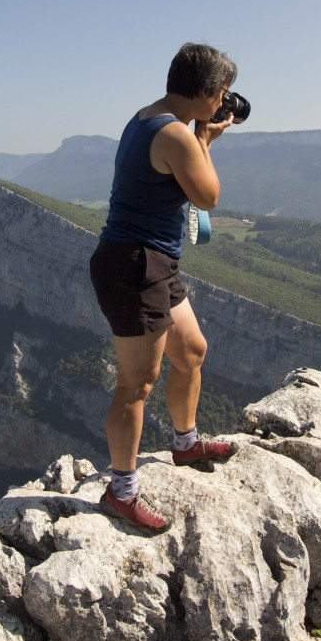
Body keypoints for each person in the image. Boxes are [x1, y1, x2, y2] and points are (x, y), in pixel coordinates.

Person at [88, 42, 241, 534]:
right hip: (135, 265)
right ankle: (122, 491)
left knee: (192, 350)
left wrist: (199, 135)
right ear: (203, 92)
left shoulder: (146, 117)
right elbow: (209, 196)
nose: (223, 103)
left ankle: (185, 442)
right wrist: (206, 141)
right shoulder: (175, 134)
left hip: (151, 263)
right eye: (220, 94)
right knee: (136, 385)